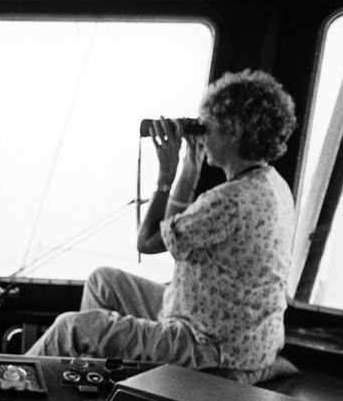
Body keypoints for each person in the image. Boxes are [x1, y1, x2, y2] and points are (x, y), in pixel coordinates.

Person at [26, 69, 297, 374]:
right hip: (232, 329)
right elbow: (174, 229)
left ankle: (8, 385)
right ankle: (95, 382)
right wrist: (190, 167)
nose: (203, 135)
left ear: (233, 131)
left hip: (209, 343)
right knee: (103, 282)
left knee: (71, 329)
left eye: (207, 127)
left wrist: (167, 174)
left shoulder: (230, 200)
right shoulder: (273, 184)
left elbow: (148, 241)